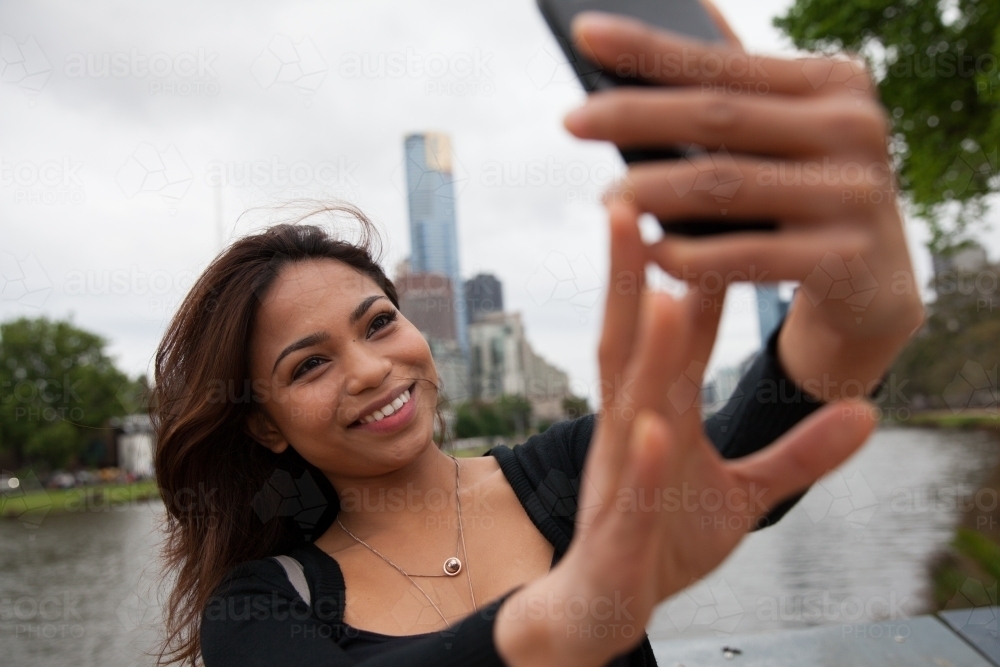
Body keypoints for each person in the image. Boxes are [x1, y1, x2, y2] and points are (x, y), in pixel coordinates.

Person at [151, 6, 924, 667]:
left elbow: (747, 448)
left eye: (379, 323)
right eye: (310, 364)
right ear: (263, 422)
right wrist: (562, 612)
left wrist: (854, 310)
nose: (369, 369)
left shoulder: (571, 471)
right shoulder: (258, 607)